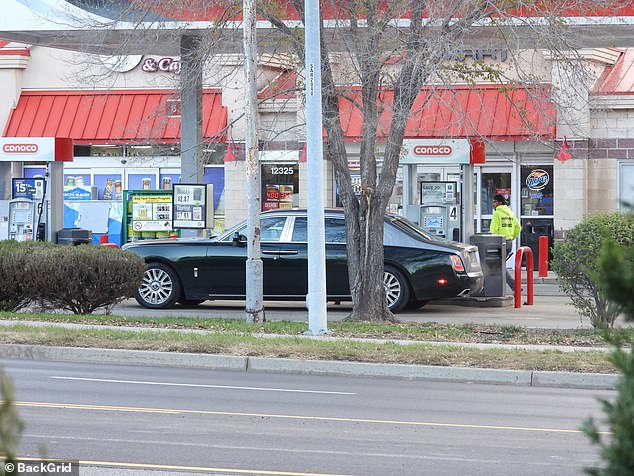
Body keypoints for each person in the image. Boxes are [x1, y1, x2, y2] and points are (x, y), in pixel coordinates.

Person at [490, 194, 522, 290]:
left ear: (500, 202)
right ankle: (494, 287)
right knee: (498, 265)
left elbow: (494, 230)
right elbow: (518, 228)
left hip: (498, 242)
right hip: (508, 242)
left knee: (498, 266)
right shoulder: (510, 213)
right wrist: (512, 237)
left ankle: (514, 286)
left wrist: (491, 243)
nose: (493, 204)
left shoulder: (497, 213)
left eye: (494, 202)